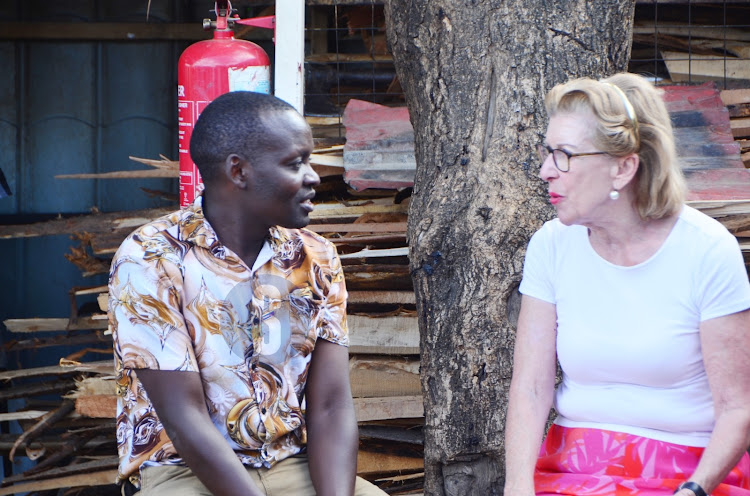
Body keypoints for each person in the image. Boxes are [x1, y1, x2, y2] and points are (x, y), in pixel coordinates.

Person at [108, 91, 387, 496]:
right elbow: (184, 419)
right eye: (296, 163)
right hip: (185, 473)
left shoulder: (316, 257)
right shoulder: (151, 257)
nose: (313, 177)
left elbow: (331, 406)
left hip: (289, 464)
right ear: (238, 171)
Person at [504, 73, 750, 496]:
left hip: (689, 472)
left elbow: (737, 409)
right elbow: (530, 388)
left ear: (623, 167)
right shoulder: (550, 246)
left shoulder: (708, 250)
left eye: (564, 155)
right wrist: (517, 487)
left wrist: (694, 490)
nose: (546, 171)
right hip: (572, 469)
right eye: (548, 153)